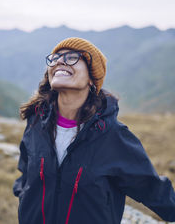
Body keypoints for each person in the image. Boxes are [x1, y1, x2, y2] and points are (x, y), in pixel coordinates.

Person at [13, 37, 175, 224]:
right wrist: (25, 196)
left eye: (72, 57)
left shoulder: (113, 136)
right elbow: (25, 171)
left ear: (92, 78)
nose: (59, 61)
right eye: (55, 57)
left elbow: (152, 189)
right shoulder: (36, 122)